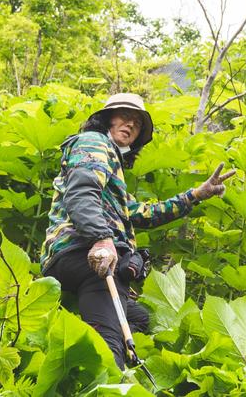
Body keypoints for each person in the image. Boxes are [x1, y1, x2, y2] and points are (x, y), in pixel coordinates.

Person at [39, 92, 234, 368]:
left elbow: (143, 213)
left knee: (138, 318)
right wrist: (102, 239)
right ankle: (108, 380)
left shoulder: (112, 174)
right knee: (108, 345)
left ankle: (89, 364)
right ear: (107, 118)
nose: (131, 125)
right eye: (125, 117)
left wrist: (195, 195)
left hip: (79, 253)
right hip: (85, 252)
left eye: (138, 123)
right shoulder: (94, 142)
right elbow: (81, 193)